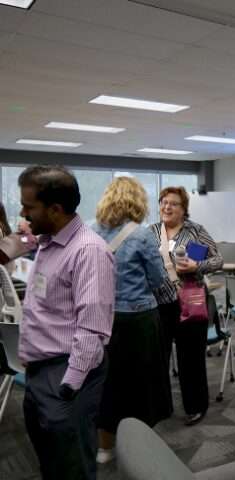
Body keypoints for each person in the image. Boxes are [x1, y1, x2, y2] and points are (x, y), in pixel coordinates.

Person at [18, 165, 115, 480]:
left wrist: (69, 387)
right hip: (40, 369)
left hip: (67, 373)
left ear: (55, 209)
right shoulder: (47, 241)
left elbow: (92, 328)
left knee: (72, 466)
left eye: (29, 207)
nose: (23, 213)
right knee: (51, 461)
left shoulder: (88, 251)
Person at [92, 177, 172, 464]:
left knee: (107, 381)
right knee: (143, 383)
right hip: (138, 319)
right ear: (138, 201)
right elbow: (158, 279)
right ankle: (141, 449)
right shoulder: (142, 236)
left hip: (102, 317)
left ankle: (104, 447)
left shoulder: (90, 231)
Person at [150, 186, 223, 426]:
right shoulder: (151, 232)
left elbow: (218, 260)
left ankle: (196, 406)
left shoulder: (195, 231)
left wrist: (196, 266)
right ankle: (161, 406)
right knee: (158, 359)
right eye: (163, 202)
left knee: (190, 358)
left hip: (190, 301)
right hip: (159, 304)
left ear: (184, 209)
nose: (167, 207)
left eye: (173, 203)